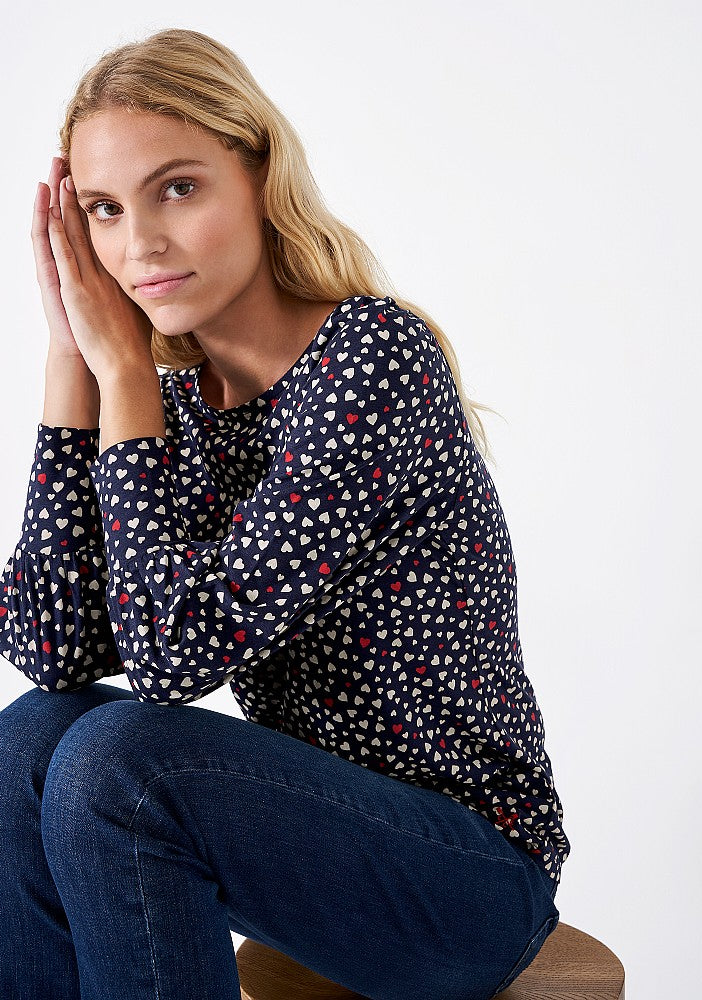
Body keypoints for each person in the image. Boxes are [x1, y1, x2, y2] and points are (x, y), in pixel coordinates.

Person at [0, 26, 569, 1000]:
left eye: (178, 188)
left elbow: (172, 660)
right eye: (104, 209)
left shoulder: (370, 358)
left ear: (259, 176)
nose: (139, 243)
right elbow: (53, 648)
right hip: (310, 846)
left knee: (118, 761)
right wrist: (71, 363)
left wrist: (124, 377)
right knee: (29, 741)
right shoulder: (177, 408)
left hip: (469, 877)